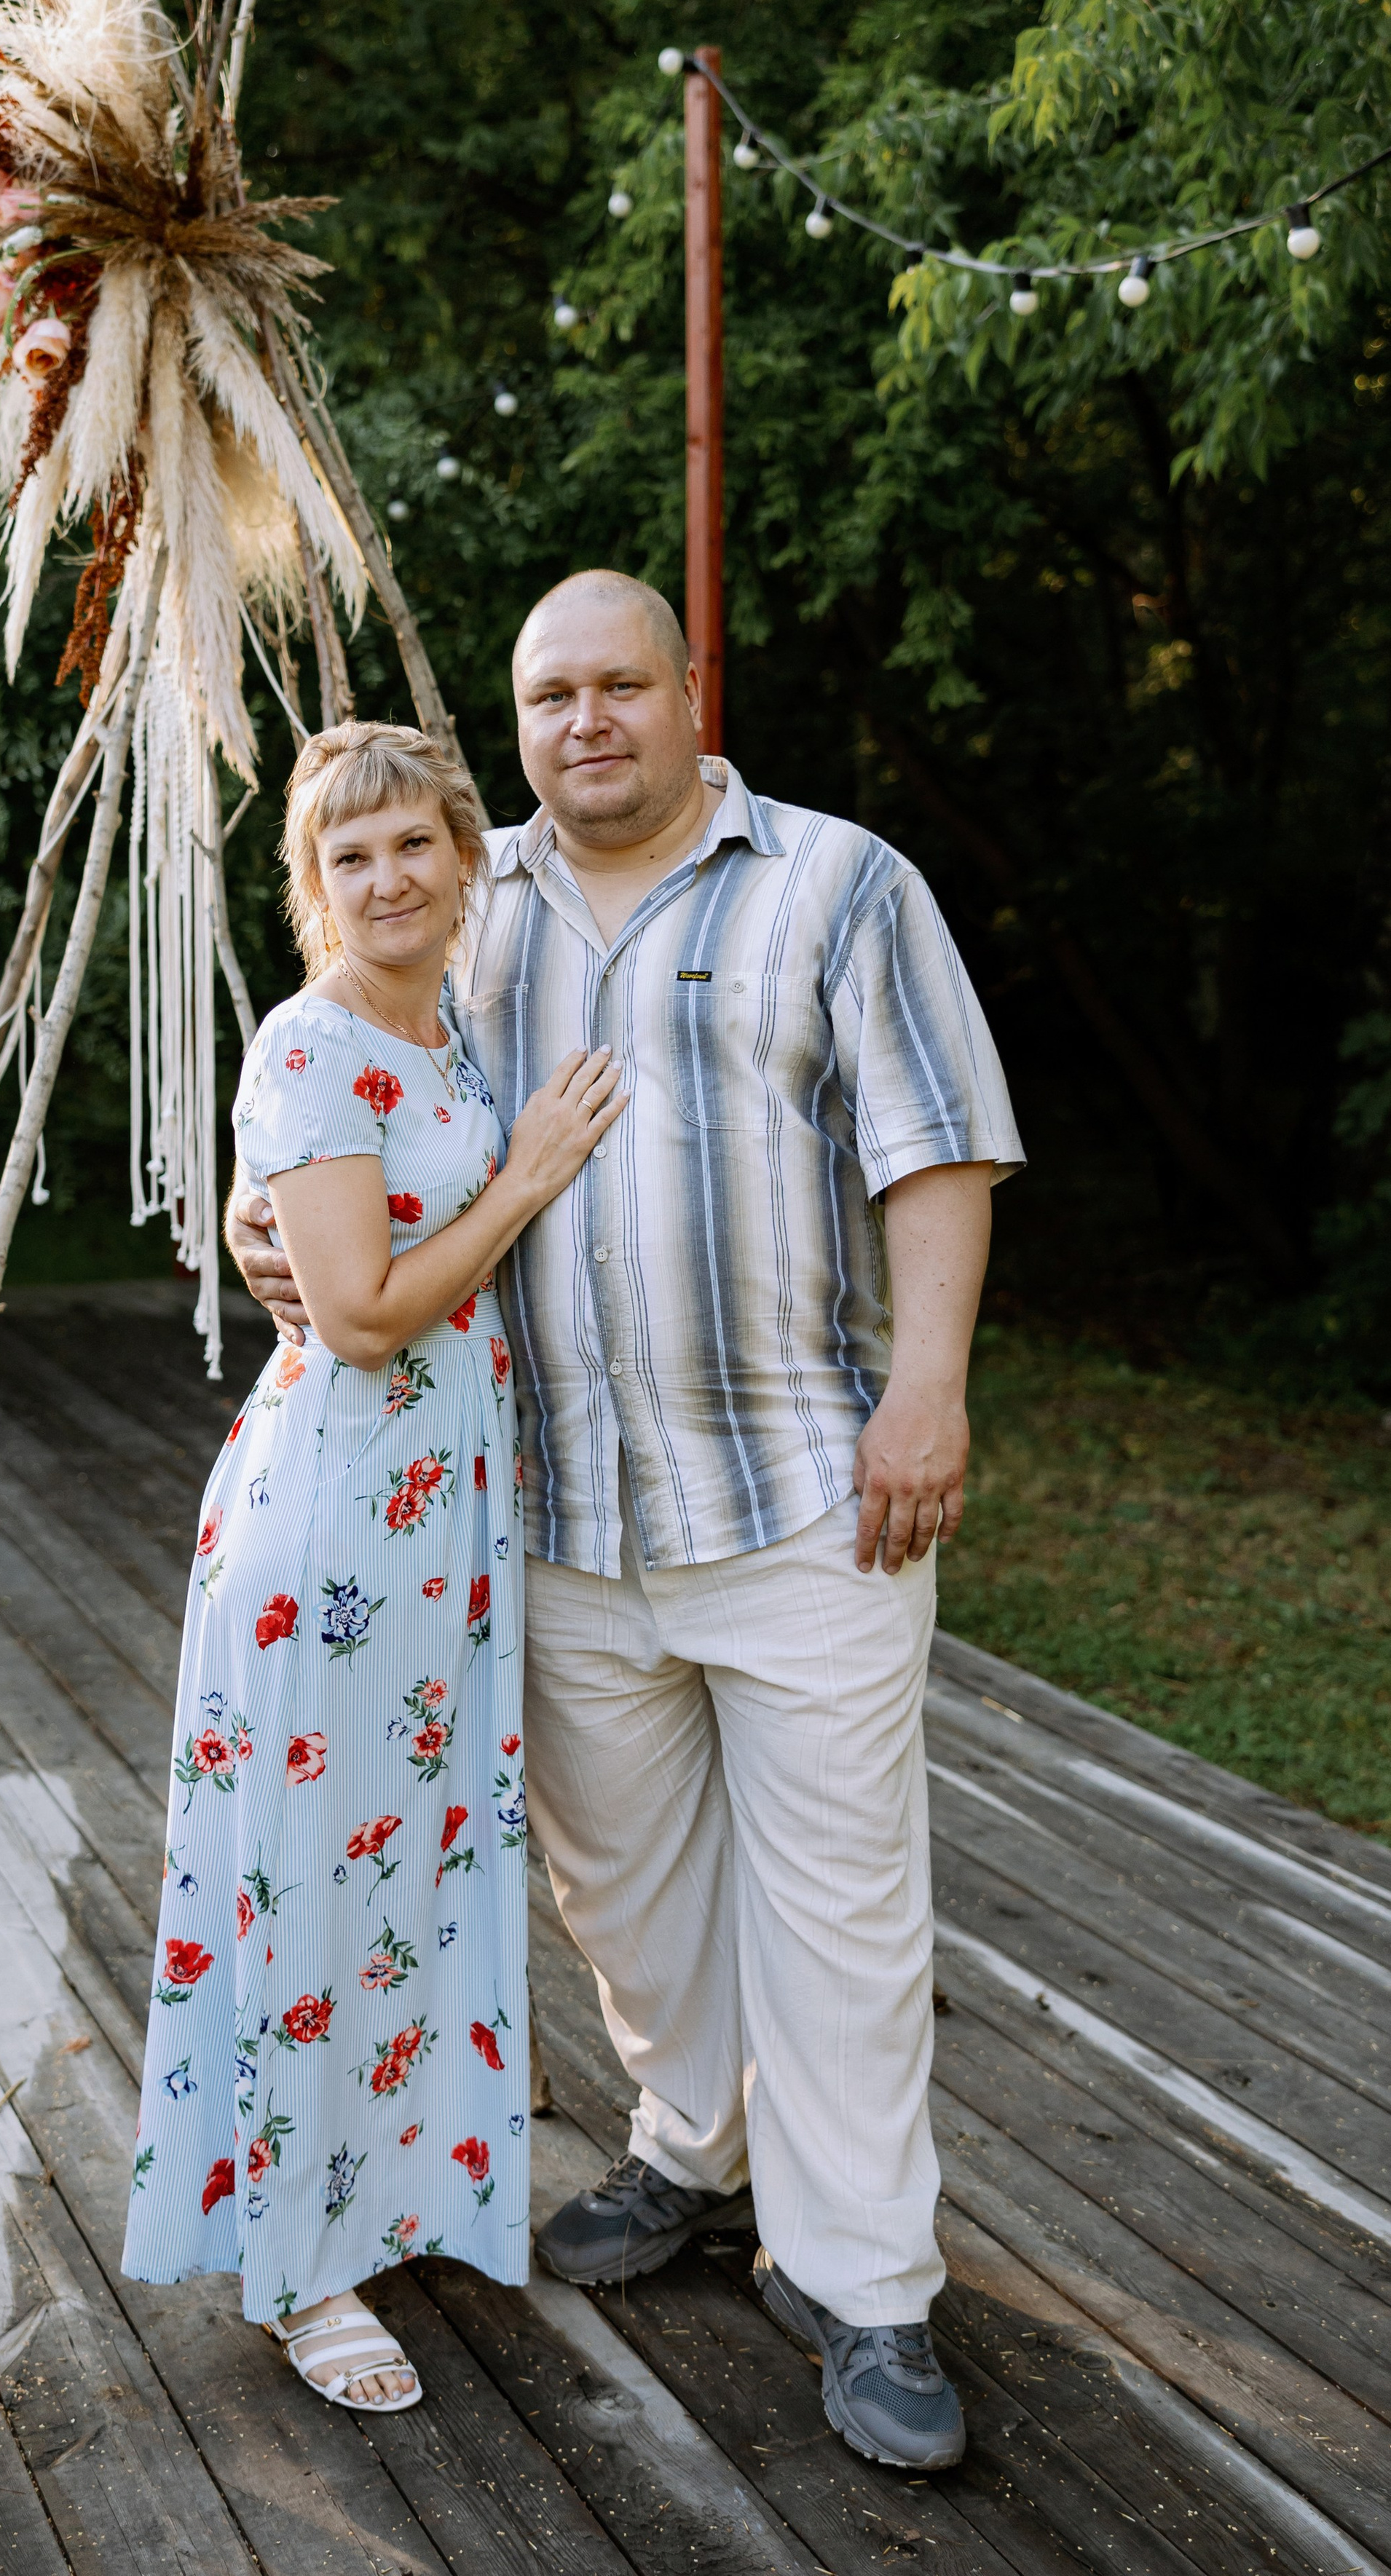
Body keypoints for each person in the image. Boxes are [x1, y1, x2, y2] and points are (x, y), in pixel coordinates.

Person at [228, 572, 1022, 2471]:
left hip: (802, 1497)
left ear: (688, 691)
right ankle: (692, 2152)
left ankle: (871, 2286)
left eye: (619, 684)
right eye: (551, 694)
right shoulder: (458, 895)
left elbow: (937, 1146)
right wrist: (263, 1221)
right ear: (520, 724)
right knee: (628, 1902)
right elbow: (334, 1072)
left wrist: (930, 1388)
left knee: (839, 1911)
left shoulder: (838, 883)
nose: (588, 720)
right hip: (551, 1515)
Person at [122, 719, 626, 2412]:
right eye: (351, 857)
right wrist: (532, 1178)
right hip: (332, 1526)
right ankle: (297, 2263)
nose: (389, 877)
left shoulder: (457, 1033)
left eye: (414, 843)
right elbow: (355, 1316)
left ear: (464, 855)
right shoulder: (312, 1046)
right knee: (309, 1876)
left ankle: (390, 2187)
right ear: (311, 887)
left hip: (447, 1527)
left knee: (410, 1870)